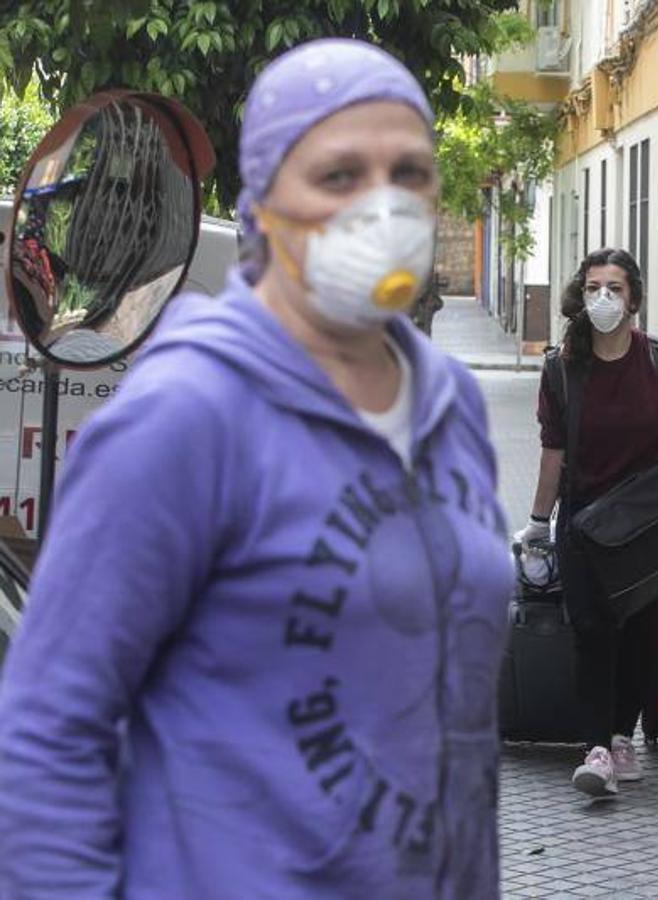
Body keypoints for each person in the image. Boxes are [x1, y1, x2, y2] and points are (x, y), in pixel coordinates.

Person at [0, 39, 514, 898]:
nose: (382, 205)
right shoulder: (188, 415)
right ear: (264, 204)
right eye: (339, 175)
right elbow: (48, 735)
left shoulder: (450, 403)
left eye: (410, 173)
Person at [517, 247, 658, 799]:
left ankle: (624, 736)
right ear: (580, 295)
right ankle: (596, 749)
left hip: (651, 529)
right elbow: (552, 452)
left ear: (635, 299)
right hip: (584, 525)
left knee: (640, 636)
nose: (604, 297)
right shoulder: (561, 368)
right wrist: (538, 523)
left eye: (616, 288)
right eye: (595, 286)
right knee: (593, 634)